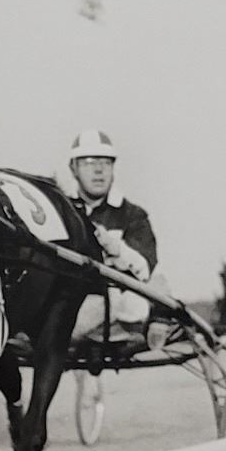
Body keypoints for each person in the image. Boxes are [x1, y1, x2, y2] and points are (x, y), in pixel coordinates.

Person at [64, 129, 161, 350]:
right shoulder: (61, 211)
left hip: (115, 311)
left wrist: (116, 248)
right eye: (89, 162)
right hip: (68, 305)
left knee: (154, 288)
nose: (99, 170)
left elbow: (145, 268)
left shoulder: (133, 215)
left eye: (106, 162)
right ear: (73, 168)